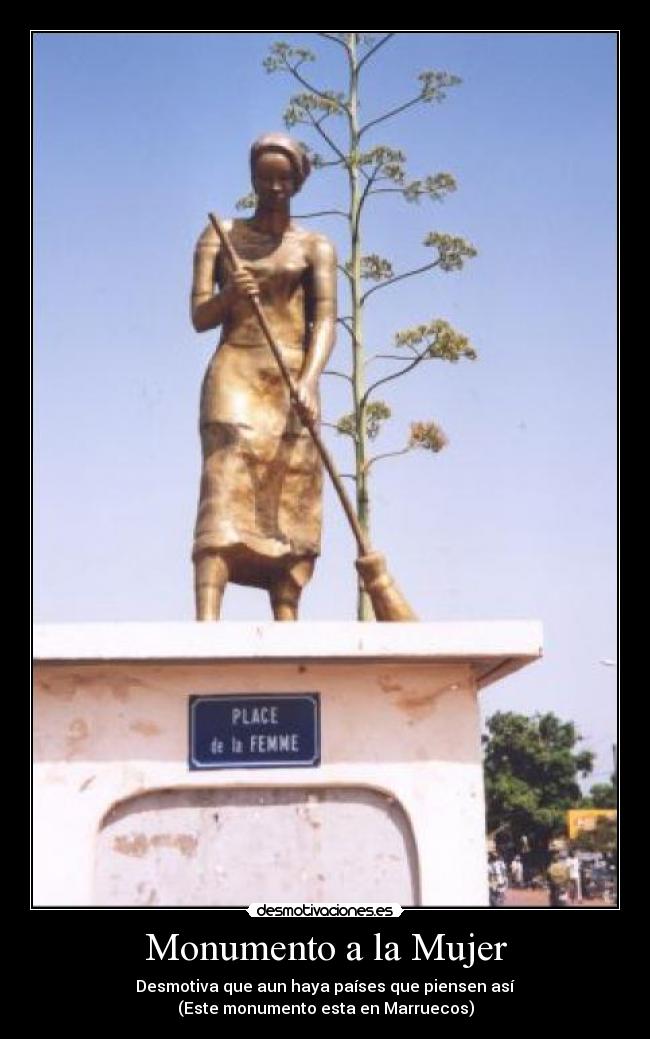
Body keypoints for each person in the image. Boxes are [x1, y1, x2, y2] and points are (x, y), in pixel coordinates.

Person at [190, 133, 337, 620]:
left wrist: (311, 379)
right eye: (263, 177)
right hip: (235, 371)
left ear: (297, 182)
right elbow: (199, 317)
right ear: (252, 179)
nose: (272, 187)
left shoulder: (316, 247)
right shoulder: (221, 236)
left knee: (293, 486)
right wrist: (230, 294)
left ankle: (287, 619)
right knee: (225, 476)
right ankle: (207, 618)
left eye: (282, 179)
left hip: (291, 378)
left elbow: (326, 322)